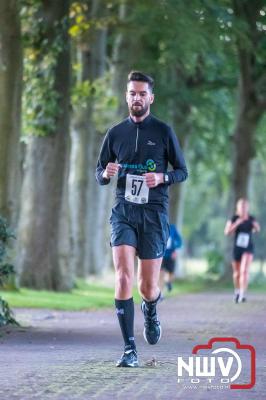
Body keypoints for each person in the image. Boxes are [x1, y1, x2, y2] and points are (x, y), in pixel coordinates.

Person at [95, 71, 188, 367]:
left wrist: (163, 176)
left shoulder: (163, 131)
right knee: (123, 276)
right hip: (123, 211)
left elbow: (182, 171)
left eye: (141, 94)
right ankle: (129, 348)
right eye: (132, 93)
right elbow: (99, 173)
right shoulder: (115, 133)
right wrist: (105, 174)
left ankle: (151, 309)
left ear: (151, 98)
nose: (136, 98)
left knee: (147, 287)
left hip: (154, 213)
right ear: (126, 96)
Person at [224, 198, 260, 303]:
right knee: (237, 273)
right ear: (238, 208)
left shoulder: (251, 218)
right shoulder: (234, 218)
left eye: (245, 207)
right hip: (237, 248)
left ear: (248, 208)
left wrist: (256, 227)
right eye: (241, 207)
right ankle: (237, 291)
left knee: (244, 271)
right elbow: (227, 232)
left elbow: (257, 230)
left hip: (248, 247)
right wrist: (237, 223)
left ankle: (242, 294)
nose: (243, 209)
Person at [160, 224, 182, 293]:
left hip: (170, 255)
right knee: (161, 272)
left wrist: (176, 251)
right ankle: (160, 292)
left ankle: (168, 282)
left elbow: (179, 241)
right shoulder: (158, 226)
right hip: (160, 255)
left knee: (171, 272)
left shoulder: (172, 228)